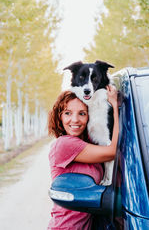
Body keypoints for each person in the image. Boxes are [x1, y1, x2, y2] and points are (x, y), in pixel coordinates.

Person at [47, 85, 119, 230]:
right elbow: (113, 152)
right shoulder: (64, 144)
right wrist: (115, 106)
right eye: (67, 113)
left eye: (82, 113)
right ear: (59, 116)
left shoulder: (88, 143)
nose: (75, 120)